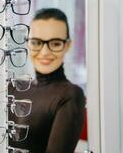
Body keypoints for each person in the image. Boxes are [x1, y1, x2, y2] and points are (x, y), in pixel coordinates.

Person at [9, 8, 86, 153]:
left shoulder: (71, 95)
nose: (45, 52)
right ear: (28, 43)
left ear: (67, 45)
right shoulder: (13, 87)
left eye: (55, 43)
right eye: (37, 42)